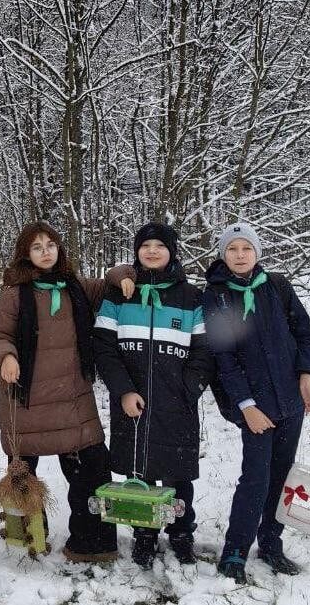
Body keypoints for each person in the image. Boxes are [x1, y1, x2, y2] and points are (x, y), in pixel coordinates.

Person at [0, 221, 135, 562]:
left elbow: (114, 278)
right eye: (37, 246)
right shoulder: (15, 292)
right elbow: (0, 336)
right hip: (26, 399)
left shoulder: (77, 286)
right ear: (26, 253)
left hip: (73, 398)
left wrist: (124, 274)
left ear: (59, 249)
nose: (45, 251)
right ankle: (27, 537)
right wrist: (7, 356)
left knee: (94, 469)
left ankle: (91, 543)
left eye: (50, 245)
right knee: (22, 477)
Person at [204, 223, 310, 584]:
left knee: (281, 475)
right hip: (255, 408)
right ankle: (235, 550)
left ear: (257, 252)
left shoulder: (277, 287)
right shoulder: (217, 296)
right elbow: (223, 358)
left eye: (246, 248)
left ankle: (271, 543)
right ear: (223, 254)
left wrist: (306, 376)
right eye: (233, 249)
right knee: (255, 478)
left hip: (290, 401)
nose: (240, 255)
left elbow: (303, 332)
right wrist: (246, 406)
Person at [93, 222, 213, 569]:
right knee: (138, 470)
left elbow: (204, 352)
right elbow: (103, 347)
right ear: (137, 251)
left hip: (176, 403)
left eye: (161, 245)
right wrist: (124, 391)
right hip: (133, 403)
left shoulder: (191, 297)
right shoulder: (119, 294)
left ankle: (180, 532)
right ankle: (144, 533)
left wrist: (188, 390)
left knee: (177, 473)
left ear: (172, 251)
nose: (153, 251)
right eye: (146, 245)